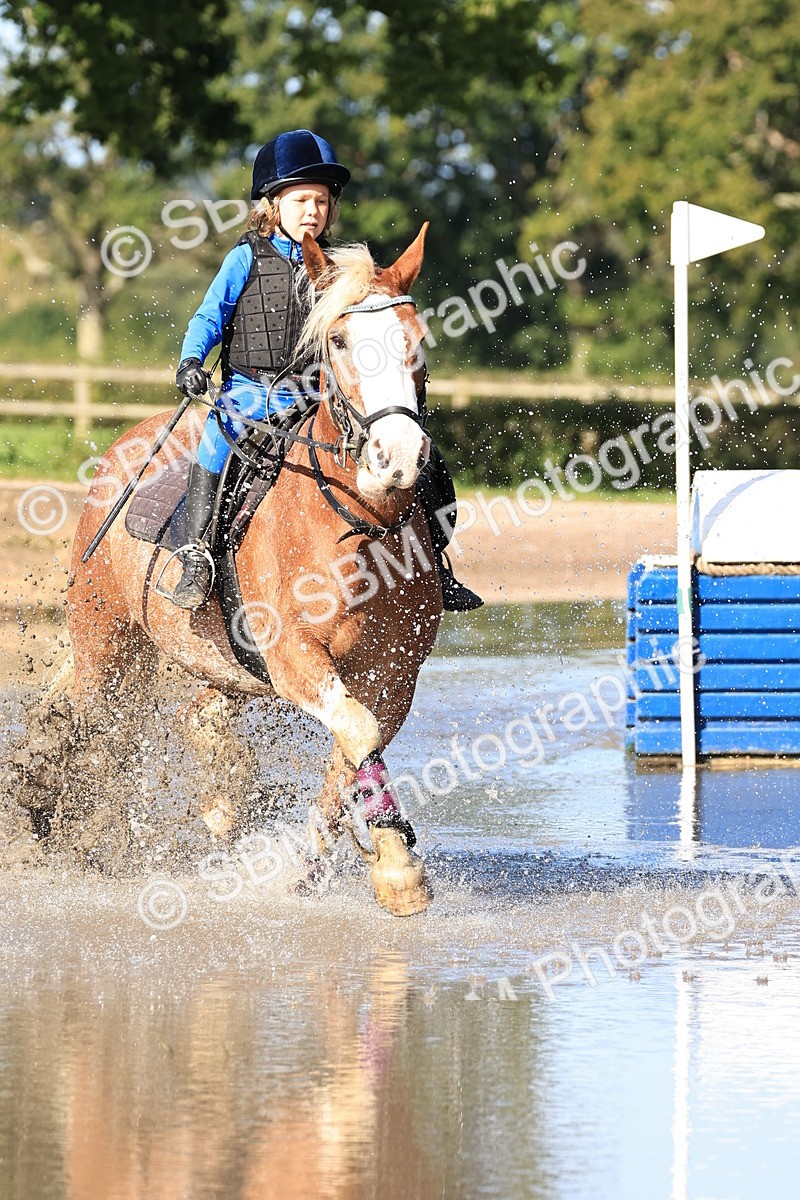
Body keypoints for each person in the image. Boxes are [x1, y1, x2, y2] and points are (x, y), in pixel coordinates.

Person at [173, 128, 482, 612]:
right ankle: (197, 554)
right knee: (215, 442)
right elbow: (210, 316)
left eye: (321, 201)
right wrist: (191, 360)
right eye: (301, 200)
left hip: (318, 397)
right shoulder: (244, 259)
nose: (313, 211)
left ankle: (436, 561)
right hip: (250, 394)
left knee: (430, 461)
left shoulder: (343, 269)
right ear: (273, 205)